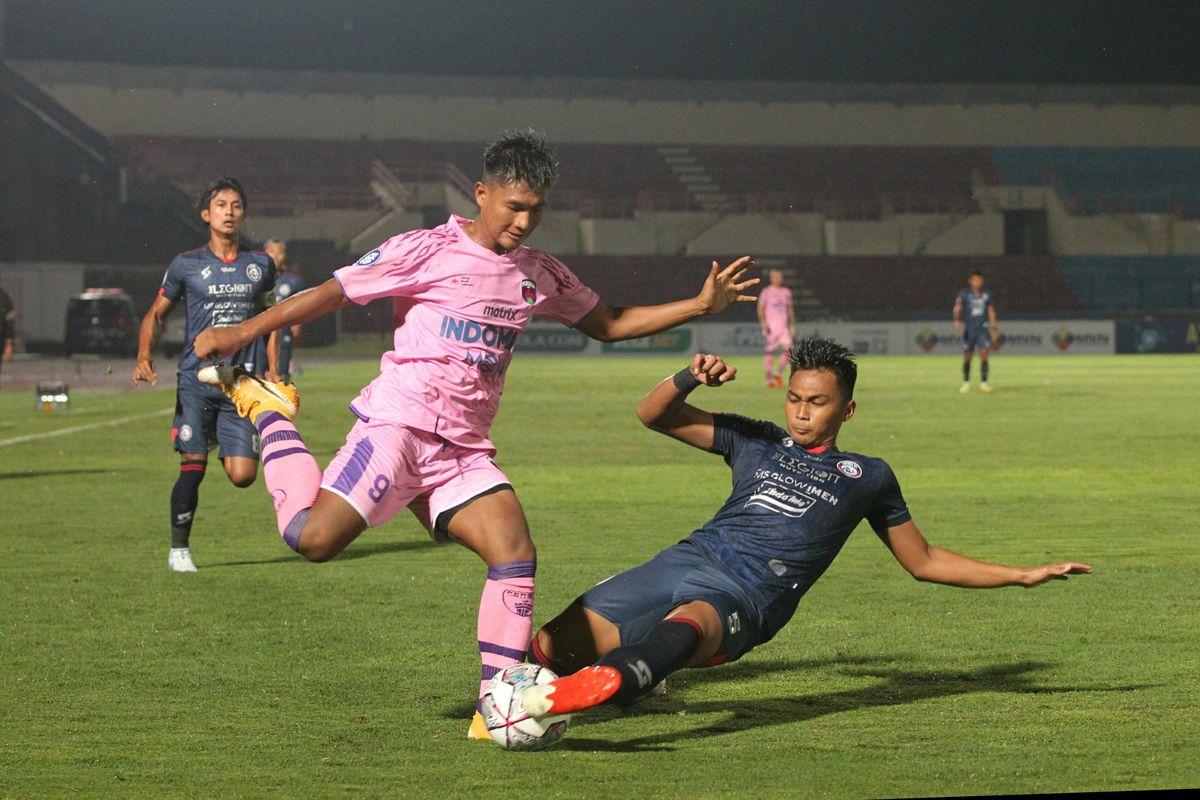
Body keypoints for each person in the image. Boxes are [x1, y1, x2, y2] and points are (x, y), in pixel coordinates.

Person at [190, 130, 758, 739]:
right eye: (514, 206)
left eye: (536, 210)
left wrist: (698, 306)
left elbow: (609, 322)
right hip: (399, 426)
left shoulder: (538, 271)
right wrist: (242, 332)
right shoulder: (426, 248)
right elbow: (331, 294)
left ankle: (498, 706)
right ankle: (268, 411)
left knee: (514, 552)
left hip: (461, 449)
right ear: (482, 193)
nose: (524, 220)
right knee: (312, 539)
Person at [521, 338, 1090, 718]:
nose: (800, 413)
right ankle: (533, 698)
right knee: (550, 643)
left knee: (688, 625)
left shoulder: (868, 475)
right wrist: (687, 377)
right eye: (794, 398)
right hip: (684, 558)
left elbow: (923, 561)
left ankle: (610, 685)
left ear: (846, 411)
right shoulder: (756, 439)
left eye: (817, 403)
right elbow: (653, 415)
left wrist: (1020, 574)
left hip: (745, 592)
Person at [132, 176, 280, 573]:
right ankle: (179, 549)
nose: (228, 212)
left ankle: (218, 435)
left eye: (235, 205)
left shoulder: (260, 264)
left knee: (243, 476)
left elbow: (271, 321)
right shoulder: (186, 264)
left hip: (240, 383)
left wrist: (275, 371)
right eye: (220, 205)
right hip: (196, 380)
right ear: (205, 214)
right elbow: (155, 314)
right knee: (193, 465)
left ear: (243, 213)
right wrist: (144, 354)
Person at [263, 239, 305, 382]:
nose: (275, 256)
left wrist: (297, 323)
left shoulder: (293, 281)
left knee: (281, 378)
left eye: (279, 253)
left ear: (284, 255)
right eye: (271, 252)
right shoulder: (256, 278)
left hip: (283, 335)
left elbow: (300, 306)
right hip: (259, 335)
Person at [953, 270, 999, 393]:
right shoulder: (964, 294)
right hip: (969, 328)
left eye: (979, 280)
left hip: (983, 329)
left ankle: (984, 384)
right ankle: (965, 383)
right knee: (967, 356)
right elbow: (958, 308)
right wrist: (957, 320)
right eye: (975, 280)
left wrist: (994, 328)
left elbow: (991, 311)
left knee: (984, 354)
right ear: (971, 281)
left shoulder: (987, 294)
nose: (977, 282)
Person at [757, 268, 794, 388]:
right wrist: (764, 323)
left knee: (790, 351)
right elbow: (760, 308)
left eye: (780, 276)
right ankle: (768, 381)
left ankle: (777, 374)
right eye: (776, 276)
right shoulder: (766, 292)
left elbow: (790, 309)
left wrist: (793, 324)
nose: (778, 279)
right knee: (770, 353)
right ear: (772, 278)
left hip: (783, 327)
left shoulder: (786, 292)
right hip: (771, 328)